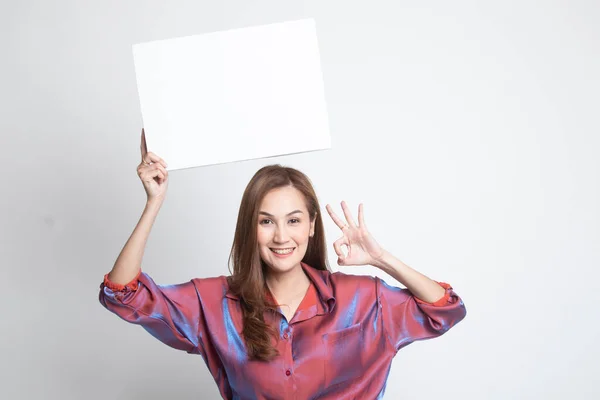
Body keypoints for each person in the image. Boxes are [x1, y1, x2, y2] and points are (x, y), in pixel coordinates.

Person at [99, 129, 467, 400]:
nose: (280, 237)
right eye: (265, 221)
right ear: (250, 228)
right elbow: (124, 295)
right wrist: (154, 201)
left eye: (293, 220)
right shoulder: (215, 303)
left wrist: (381, 258)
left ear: (311, 226)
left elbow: (445, 310)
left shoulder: (363, 298)